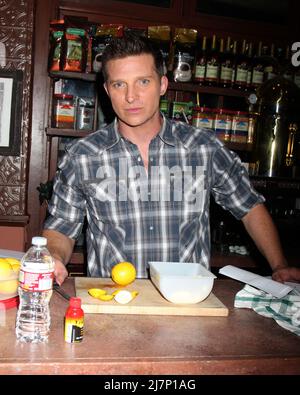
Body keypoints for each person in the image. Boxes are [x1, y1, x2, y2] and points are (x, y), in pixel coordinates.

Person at [42, 34, 300, 286]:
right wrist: (53, 257)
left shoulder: (203, 148)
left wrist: (279, 266)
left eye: (143, 82)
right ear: (108, 90)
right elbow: (61, 228)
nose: (131, 96)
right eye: (120, 84)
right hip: (115, 304)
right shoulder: (82, 156)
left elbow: (250, 207)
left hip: (188, 305)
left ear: (163, 85)